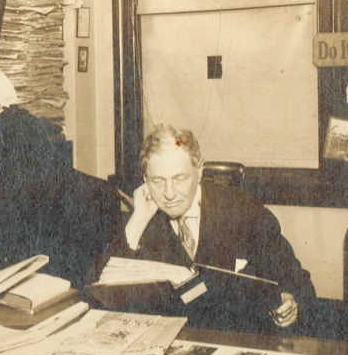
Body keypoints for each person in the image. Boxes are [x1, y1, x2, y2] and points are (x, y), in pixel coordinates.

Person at [103, 124, 316, 332]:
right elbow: (103, 295)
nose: (169, 194)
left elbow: (298, 282)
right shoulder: (143, 219)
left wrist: (290, 303)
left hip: (236, 340)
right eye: (158, 181)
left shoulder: (243, 210)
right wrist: (137, 221)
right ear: (145, 181)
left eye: (179, 178)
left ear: (200, 171)